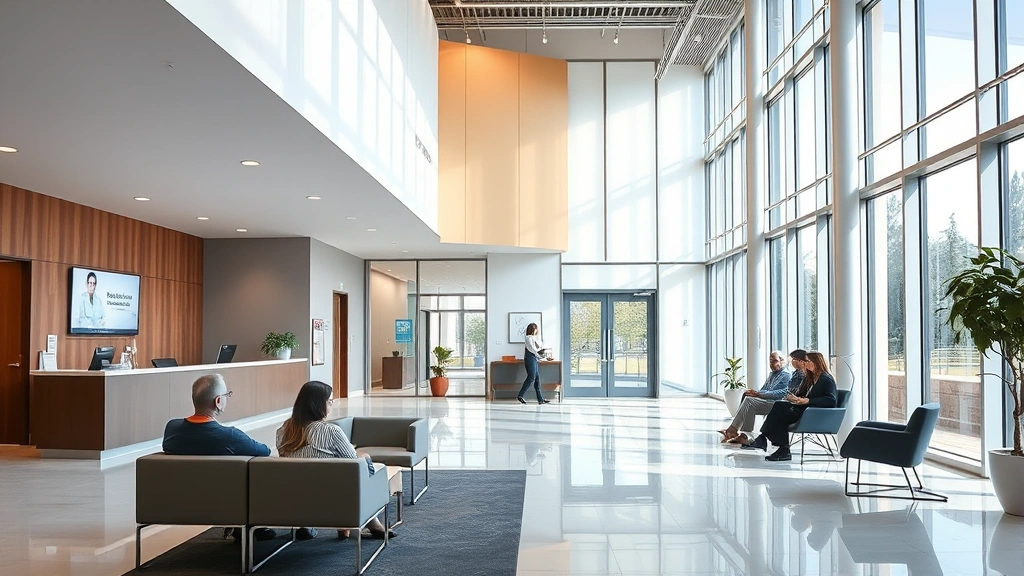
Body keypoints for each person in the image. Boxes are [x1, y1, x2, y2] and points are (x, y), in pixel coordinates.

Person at [276, 381, 396, 540]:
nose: (331, 404)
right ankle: (372, 523)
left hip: (295, 498)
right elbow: (353, 463)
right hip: (333, 497)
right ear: (318, 404)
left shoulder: (283, 431)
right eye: (329, 401)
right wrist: (362, 455)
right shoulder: (331, 431)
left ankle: (307, 524)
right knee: (363, 459)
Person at [162, 374, 276, 541]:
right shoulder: (230, 437)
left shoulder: (172, 429)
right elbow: (265, 451)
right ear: (218, 401)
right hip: (224, 504)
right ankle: (249, 523)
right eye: (227, 395)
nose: (227, 399)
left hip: (175, 503)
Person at [743, 351, 838, 461]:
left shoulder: (825, 379)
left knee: (780, 412)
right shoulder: (810, 377)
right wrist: (795, 398)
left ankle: (768, 441)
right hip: (804, 410)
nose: (805, 364)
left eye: (807, 361)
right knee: (779, 406)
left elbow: (831, 400)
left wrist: (807, 401)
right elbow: (802, 394)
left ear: (815, 362)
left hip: (813, 414)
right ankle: (775, 445)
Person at [717, 350, 801, 443]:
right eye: (770, 361)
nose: (772, 364)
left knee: (749, 401)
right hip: (768, 401)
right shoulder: (772, 374)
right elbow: (763, 390)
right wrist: (756, 393)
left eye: (775, 361)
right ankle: (741, 433)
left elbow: (782, 393)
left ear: (782, 361)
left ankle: (739, 432)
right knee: (748, 397)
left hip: (776, 403)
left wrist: (761, 394)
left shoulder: (786, 375)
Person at [517, 323, 551, 405]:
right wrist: (543, 358)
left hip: (534, 359)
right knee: (531, 377)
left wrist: (544, 356)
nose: (536, 330)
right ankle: (520, 395)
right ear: (532, 330)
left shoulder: (536, 338)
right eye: (535, 328)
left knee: (537, 379)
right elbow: (533, 350)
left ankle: (540, 399)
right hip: (530, 359)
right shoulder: (528, 338)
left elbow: (539, 349)